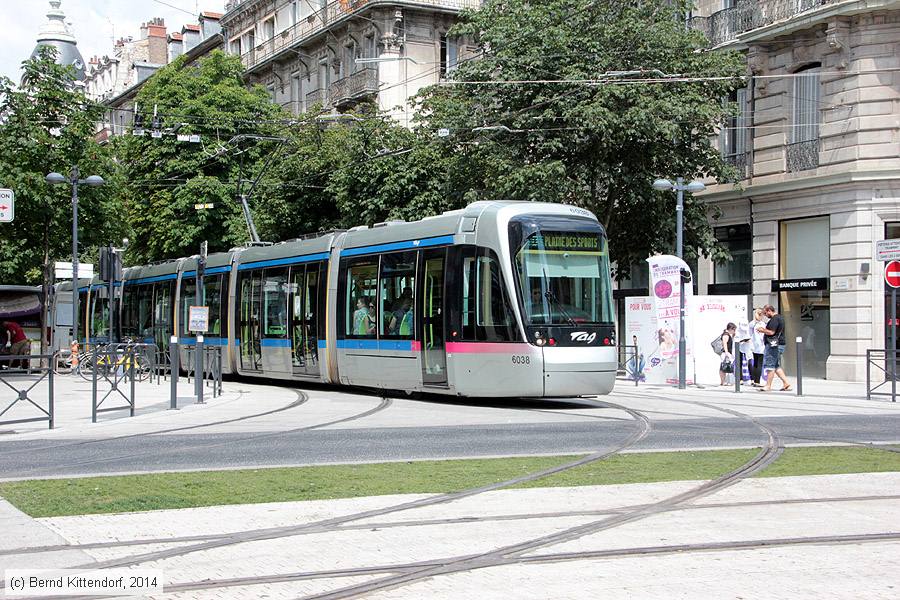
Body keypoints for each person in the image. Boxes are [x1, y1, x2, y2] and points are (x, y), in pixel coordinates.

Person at [757, 304, 791, 392]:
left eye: (765, 313)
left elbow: (771, 332)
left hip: (773, 345)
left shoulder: (774, 319)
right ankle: (786, 383)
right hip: (779, 344)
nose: (765, 315)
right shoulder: (780, 318)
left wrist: (762, 330)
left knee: (770, 365)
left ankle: (768, 385)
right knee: (776, 365)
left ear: (769, 310)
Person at [748, 308, 767, 386]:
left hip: (754, 345)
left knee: (755, 363)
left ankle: (754, 380)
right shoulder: (762, 324)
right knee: (759, 363)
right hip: (761, 345)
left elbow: (749, 333)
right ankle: (757, 381)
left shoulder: (752, 323)